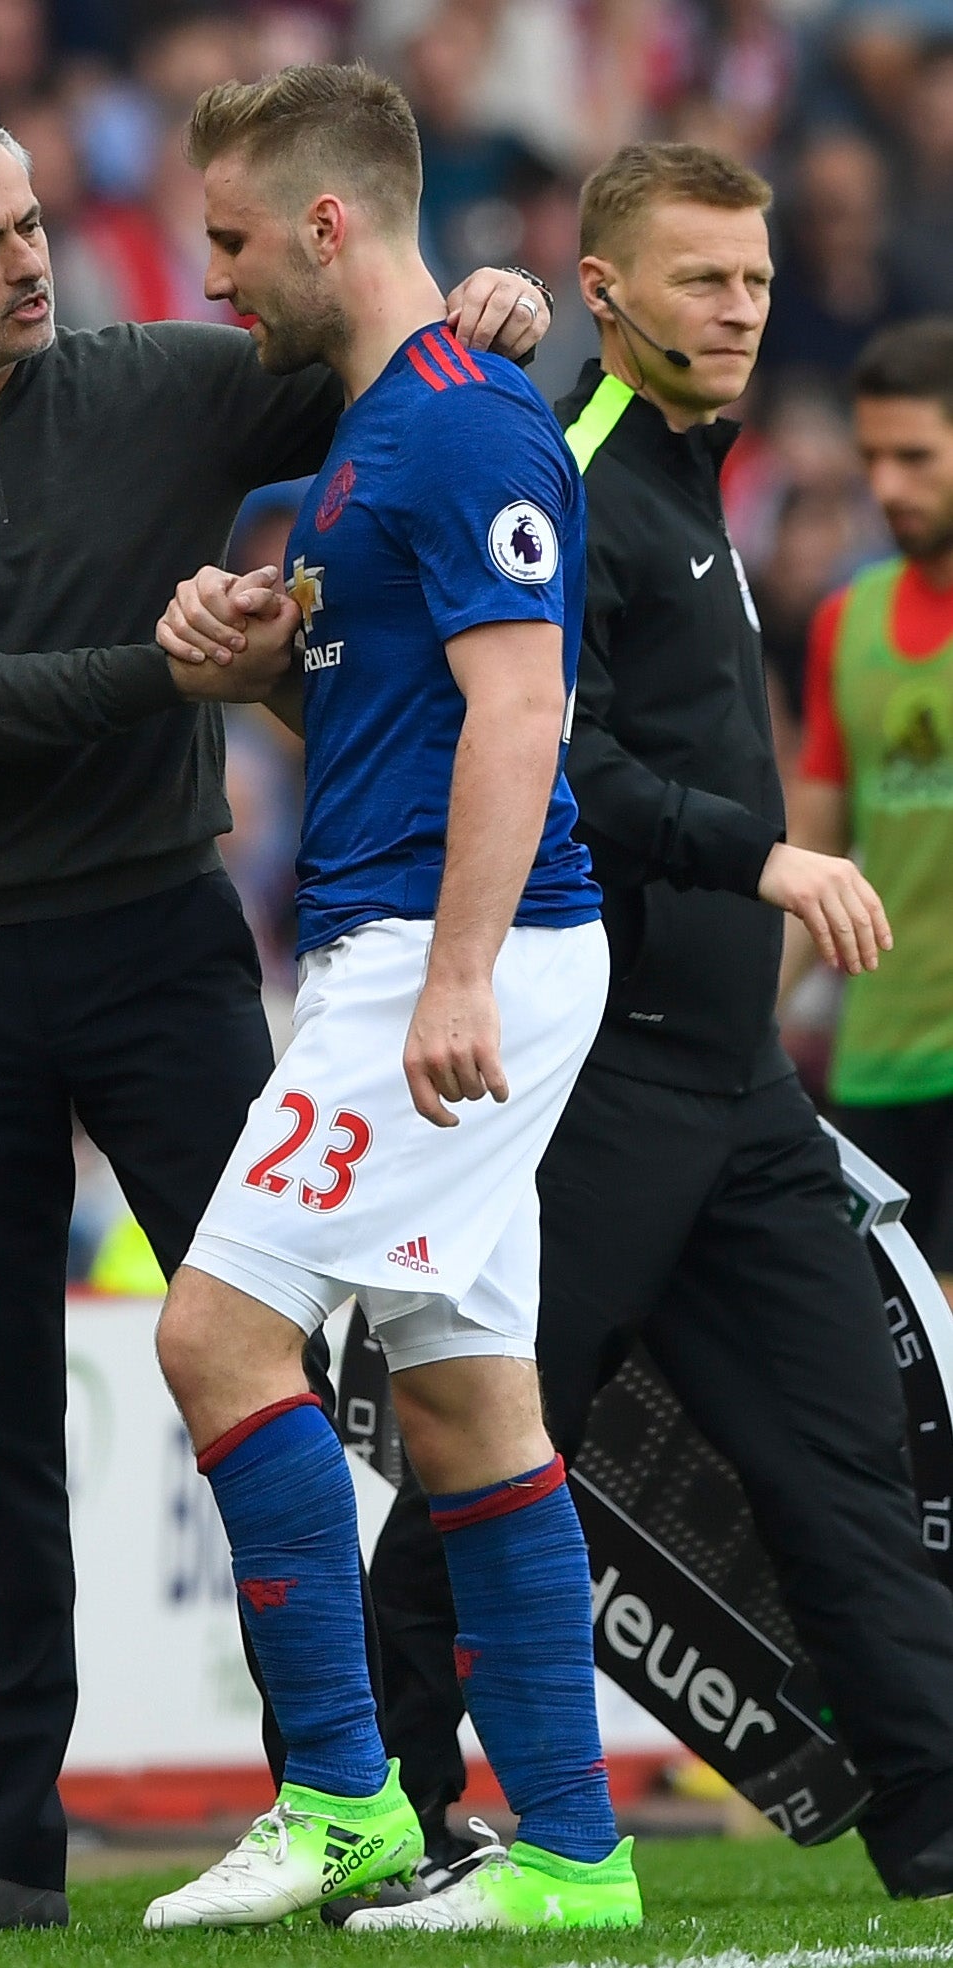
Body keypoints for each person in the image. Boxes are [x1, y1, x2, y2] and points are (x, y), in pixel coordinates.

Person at [0, 99, 550, 1933]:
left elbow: (379, 358)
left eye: (30, 223)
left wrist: (486, 310)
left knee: (294, 1379)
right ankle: (3, 1853)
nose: (31, 260)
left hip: (162, 942)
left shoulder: (167, 379)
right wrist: (184, 666)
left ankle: (389, 1805)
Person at [354, 143, 953, 1915]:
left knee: (844, 1458)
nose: (743, 307)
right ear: (602, 293)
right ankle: (375, 1792)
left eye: (756, 280)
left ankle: (934, 1820)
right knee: (490, 1439)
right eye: (702, 279)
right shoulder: (576, 474)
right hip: (599, 1075)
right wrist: (763, 855)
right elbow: (555, 753)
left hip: (737, 1082)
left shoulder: (702, 488)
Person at [142, 64, 640, 1935]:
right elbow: (403, 713)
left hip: (453, 953)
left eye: (233, 236)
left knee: (212, 1340)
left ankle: (343, 1802)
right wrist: (255, 665)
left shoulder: (459, 429)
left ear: (330, 221)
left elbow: (527, 710)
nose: (218, 277)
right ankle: (578, 1861)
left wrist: (449, 978)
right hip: (427, 945)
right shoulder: (366, 444)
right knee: (463, 1412)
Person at [784, 318, 953, 1304]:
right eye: (873, 458)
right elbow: (816, 844)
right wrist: (748, 1021)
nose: (887, 486)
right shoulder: (848, 622)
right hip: (877, 1060)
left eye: (917, 457)